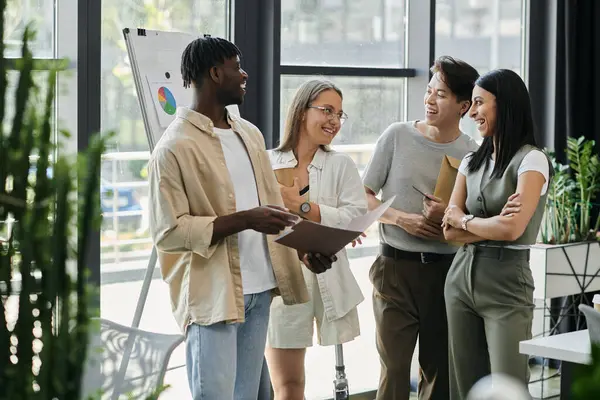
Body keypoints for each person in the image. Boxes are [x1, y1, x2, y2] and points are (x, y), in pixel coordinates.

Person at [147, 36, 335, 400]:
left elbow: (271, 212)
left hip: (260, 291)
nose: (244, 74)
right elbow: (169, 232)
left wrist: (304, 250)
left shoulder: (249, 134)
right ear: (216, 74)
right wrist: (245, 219)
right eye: (237, 67)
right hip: (213, 298)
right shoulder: (173, 147)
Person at [361, 56, 480, 400]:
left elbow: (470, 217)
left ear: (463, 105)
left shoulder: (472, 154)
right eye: (429, 91)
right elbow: (363, 196)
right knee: (395, 369)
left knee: (438, 370)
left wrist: (446, 213)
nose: (429, 100)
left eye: (440, 94)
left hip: (447, 273)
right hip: (393, 270)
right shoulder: (397, 135)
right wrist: (402, 219)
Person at [441, 68, 552, 399]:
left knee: (509, 387)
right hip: (460, 280)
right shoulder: (471, 161)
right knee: (464, 386)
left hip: (507, 284)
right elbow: (448, 231)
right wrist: (474, 224)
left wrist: (465, 221)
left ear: (504, 104)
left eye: (479, 103)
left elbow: (512, 228)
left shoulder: (531, 160)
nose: (472, 112)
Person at [265, 78, 368, 400]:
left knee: (335, 378)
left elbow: (356, 217)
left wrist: (303, 206)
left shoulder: (341, 164)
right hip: (281, 283)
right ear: (300, 112)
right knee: (289, 385)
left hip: (328, 277)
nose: (335, 120)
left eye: (339, 113)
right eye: (327, 110)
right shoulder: (267, 162)